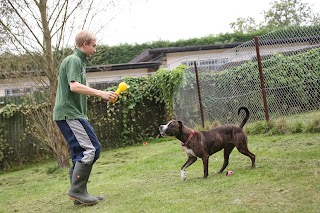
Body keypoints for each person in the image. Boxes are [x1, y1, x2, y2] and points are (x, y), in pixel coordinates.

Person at [53, 30, 118, 206]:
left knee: (81, 152)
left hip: (73, 113)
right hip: (69, 113)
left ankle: (79, 194)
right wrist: (101, 93)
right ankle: (77, 191)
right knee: (91, 149)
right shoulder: (73, 60)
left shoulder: (79, 62)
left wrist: (102, 94)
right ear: (84, 45)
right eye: (94, 46)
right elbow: (74, 87)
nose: (95, 50)